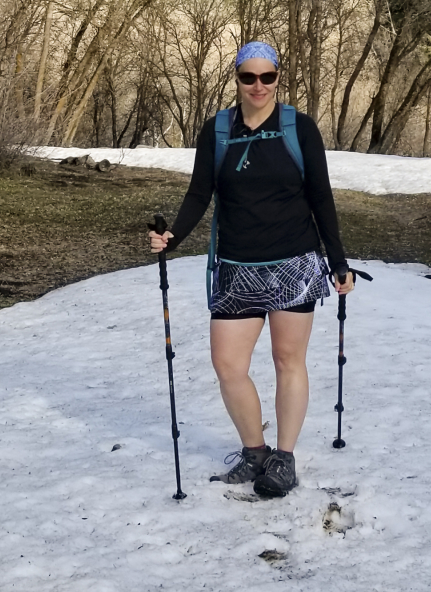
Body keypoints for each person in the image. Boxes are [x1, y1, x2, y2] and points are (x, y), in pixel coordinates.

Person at [149, 41, 354, 497]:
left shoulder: (299, 128)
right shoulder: (218, 129)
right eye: (248, 77)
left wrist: (338, 261)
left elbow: (321, 196)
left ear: (278, 78)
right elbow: (199, 193)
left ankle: (284, 459)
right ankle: (255, 452)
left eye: (267, 77)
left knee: (287, 360)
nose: (258, 85)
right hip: (236, 266)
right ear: (237, 79)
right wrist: (172, 238)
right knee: (227, 364)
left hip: (293, 264)